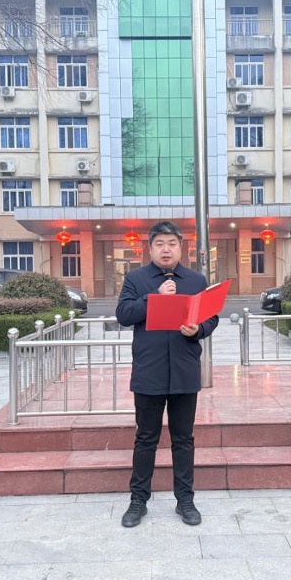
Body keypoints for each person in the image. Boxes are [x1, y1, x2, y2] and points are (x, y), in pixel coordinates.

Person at [115, 221, 219, 527]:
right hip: (149, 372)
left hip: (185, 371)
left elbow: (211, 318)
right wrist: (154, 297)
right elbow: (123, 315)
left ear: (180, 248)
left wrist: (198, 329)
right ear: (149, 248)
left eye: (172, 244)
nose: (166, 249)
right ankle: (138, 500)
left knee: (183, 439)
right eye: (159, 244)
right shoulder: (136, 279)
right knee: (146, 438)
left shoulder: (196, 280)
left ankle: (185, 500)